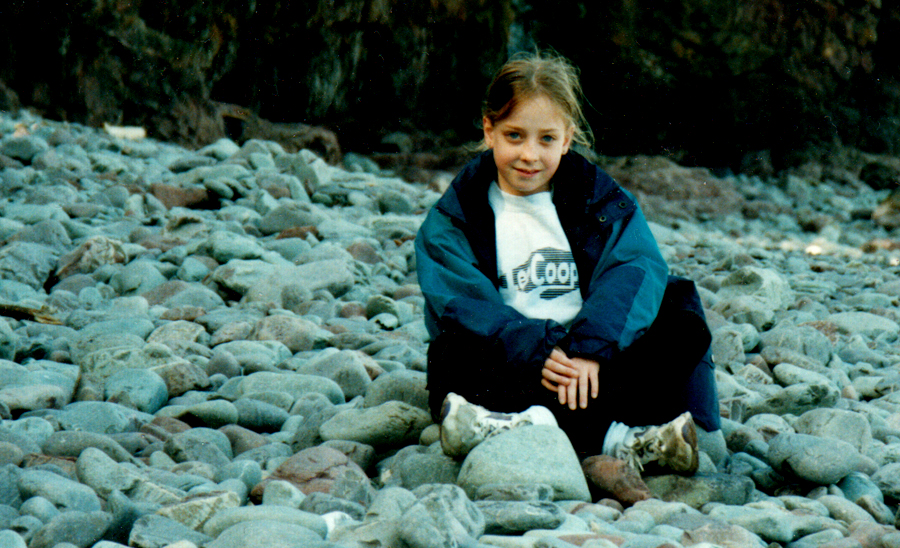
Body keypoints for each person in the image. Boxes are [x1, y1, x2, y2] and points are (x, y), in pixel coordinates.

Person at [414, 52, 721, 494]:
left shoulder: (599, 199)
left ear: (567, 139)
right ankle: (621, 440)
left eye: (546, 139)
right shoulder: (453, 216)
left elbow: (635, 268)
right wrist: (541, 351)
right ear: (488, 130)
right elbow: (462, 303)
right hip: (517, 362)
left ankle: (522, 427)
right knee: (449, 352)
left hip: (595, 365)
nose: (528, 155)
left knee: (681, 317)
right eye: (514, 136)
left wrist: (590, 351)